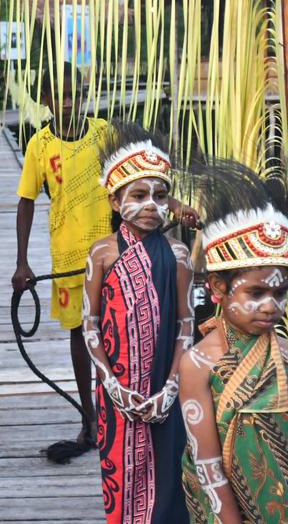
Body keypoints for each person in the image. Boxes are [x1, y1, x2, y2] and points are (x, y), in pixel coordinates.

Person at [179, 161, 288, 524]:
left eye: (280, 292)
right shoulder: (198, 364)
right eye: (256, 293)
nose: (271, 306)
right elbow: (208, 466)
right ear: (217, 287)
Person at [83, 121, 198, 524]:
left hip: (165, 389)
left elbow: (186, 325)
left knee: (169, 481)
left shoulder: (179, 255)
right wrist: (113, 386)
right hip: (117, 391)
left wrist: (170, 389)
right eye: (139, 195)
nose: (152, 205)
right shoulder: (101, 253)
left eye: (160, 196)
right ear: (115, 202)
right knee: (121, 477)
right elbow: (89, 324)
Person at [11, 63, 115, 461]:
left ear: (85, 95)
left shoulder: (104, 134)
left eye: (74, 94)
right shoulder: (39, 145)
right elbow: (26, 202)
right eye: (60, 96)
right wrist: (22, 262)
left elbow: (131, 179)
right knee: (80, 333)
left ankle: (116, 411)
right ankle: (89, 417)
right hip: (69, 255)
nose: (68, 102)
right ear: (46, 100)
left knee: (115, 331)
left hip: (112, 252)